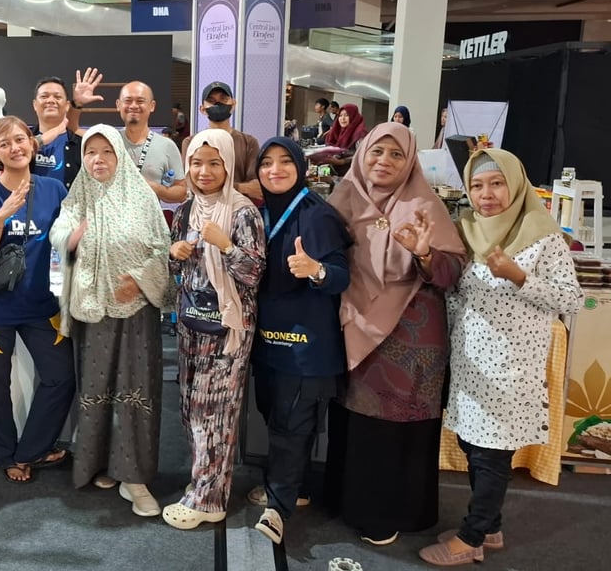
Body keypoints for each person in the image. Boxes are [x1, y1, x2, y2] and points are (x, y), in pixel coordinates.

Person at [419, 149, 583, 566]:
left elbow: (572, 299)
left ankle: (471, 537)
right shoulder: (467, 230)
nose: (486, 194)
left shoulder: (543, 236)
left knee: (491, 455)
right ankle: (489, 527)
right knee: (472, 445)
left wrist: (520, 277)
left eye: (496, 183)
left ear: (516, 185)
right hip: (469, 366)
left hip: (512, 370)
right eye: (476, 185)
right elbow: (455, 291)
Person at [324, 122, 467, 545]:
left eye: (396, 154)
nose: (384, 161)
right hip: (353, 323)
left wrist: (425, 254)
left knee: (394, 427)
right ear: (362, 154)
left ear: (410, 162)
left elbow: (453, 271)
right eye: (376, 152)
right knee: (354, 419)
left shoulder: (424, 204)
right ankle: (347, 501)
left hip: (409, 337)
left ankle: (388, 514)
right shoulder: (343, 198)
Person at [51, 124, 171, 516]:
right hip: (93, 310)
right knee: (96, 390)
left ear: (120, 154)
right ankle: (100, 464)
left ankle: (134, 478)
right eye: (90, 152)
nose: (98, 159)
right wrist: (68, 239)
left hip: (136, 312)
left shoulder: (142, 196)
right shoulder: (78, 195)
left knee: (135, 391)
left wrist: (139, 280)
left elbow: (163, 250)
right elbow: (60, 230)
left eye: (106, 151)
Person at [0, 116, 76, 484]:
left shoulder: (54, 190)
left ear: (32, 143)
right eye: (5, 143)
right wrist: (0, 218)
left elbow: (68, 242)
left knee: (61, 377)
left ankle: (31, 450)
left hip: (40, 305)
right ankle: (5, 454)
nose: (15, 148)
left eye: (20, 139)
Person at [247, 137, 352, 544]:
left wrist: (316, 270)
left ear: (300, 168)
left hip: (305, 345)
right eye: (266, 163)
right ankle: (297, 487)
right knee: (275, 416)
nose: (274, 170)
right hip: (266, 340)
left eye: (284, 162)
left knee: (291, 425)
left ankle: (278, 507)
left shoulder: (318, 215)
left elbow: (341, 276)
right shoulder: (258, 213)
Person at [163, 129, 266, 529]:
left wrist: (226, 245)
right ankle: (204, 483)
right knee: (191, 407)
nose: (204, 171)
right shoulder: (186, 209)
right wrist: (174, 253)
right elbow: (173, 267)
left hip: (226, 329)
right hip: (191, 325)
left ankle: (209, 501)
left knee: (215, 413)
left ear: (228, 166)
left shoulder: (243, 211)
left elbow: (254, 273)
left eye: (214, 163)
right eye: (196, 163)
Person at [70, 70, 187, 204]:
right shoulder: (109, 139)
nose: (133, 106)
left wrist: (154, 187)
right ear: (118, 105)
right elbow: (73, 128)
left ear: (152, 106)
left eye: (140, 101)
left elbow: (181, 192)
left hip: (148, 216)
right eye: (128, 101)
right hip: (109, 215)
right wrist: (77, 103)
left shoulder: (166, 146)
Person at [180, 82, 262, 203]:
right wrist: (240, 187)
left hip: (239, 208)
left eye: (223, 99)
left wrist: (211, 186)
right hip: (202, 209)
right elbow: (191, 183)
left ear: (233, 104)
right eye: (211, 101)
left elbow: (255, 188)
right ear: (202, 109)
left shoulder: (249, 142)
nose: (218, 104)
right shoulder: (191, 142)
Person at [28, 77, 80, 189]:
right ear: (35, 105)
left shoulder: (80, 143)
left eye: (57, 97)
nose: (51, 100)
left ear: (67, 106)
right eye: (44, 96)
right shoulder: (23, 139)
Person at [317, 103, 368, 176]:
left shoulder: (359, 134)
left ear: (353, 117)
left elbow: (362, 156)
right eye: (340, 115)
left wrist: (342, 161)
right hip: (335, 172)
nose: (342, 118)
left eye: (346, 115)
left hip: (351, 175)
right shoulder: (337, 131)